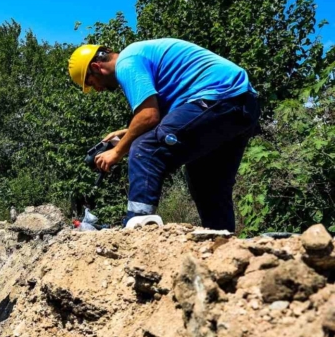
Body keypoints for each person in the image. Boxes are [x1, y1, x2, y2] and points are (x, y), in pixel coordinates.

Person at [68, 38, 260, 232]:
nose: (97, 89)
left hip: (218, 97)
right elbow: (170, 119)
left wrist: (117, 151)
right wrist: (127, 133)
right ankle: (222, 242)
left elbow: (148, 116)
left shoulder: (126, 62)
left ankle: (137, 225)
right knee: (207, 183)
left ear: (96, 66)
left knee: (145, 148)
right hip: (240, 105)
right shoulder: (140, 55)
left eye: (92, 83)